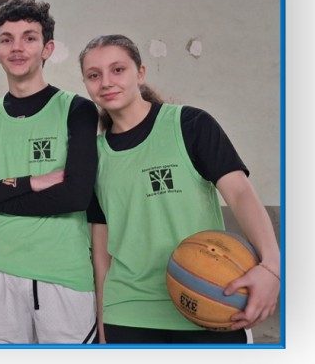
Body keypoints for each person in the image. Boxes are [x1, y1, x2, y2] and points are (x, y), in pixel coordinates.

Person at [79, 34, 280, 344]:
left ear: (140, 73)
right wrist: (104, 319)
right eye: (94, 75)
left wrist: (272, 266)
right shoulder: (94, 155)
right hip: (128, 312)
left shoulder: (190, 125)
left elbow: (240, 194)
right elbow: (101, 243)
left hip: (211, 300)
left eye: (118, 70)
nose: (106, 82)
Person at [0, 0, 98, 344]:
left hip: (63, 273)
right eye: (7, 39)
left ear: (47, 49)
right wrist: (32, 182)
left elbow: (75, 196)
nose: (17, 47)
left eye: (29, 38)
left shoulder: (78, 110)